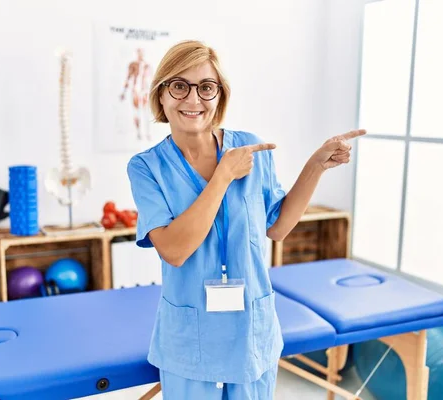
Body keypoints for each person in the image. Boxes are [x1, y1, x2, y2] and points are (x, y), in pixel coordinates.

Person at [126, 40, 365, 399]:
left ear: (219, 96)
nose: (193, 100)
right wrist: (222, 176)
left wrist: (316, 165)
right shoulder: (146, 167)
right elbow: (174, 251)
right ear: (161, 95)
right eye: (179, 86)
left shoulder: (250, 148)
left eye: (206, 88)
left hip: (253, 330)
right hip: (189, 338)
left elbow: (279, 227)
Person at [120, 48, 152, 141]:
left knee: (146, 112)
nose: (140, 55)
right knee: (137, 112)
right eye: (139, 53)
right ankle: (138, 133)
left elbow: (150, 78)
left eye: (141, 53)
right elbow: (128, 78)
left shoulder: (147, 65)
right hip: (135, 91)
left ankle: (147, 133)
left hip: (145, 91)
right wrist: (124, 92)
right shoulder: (133, 65)